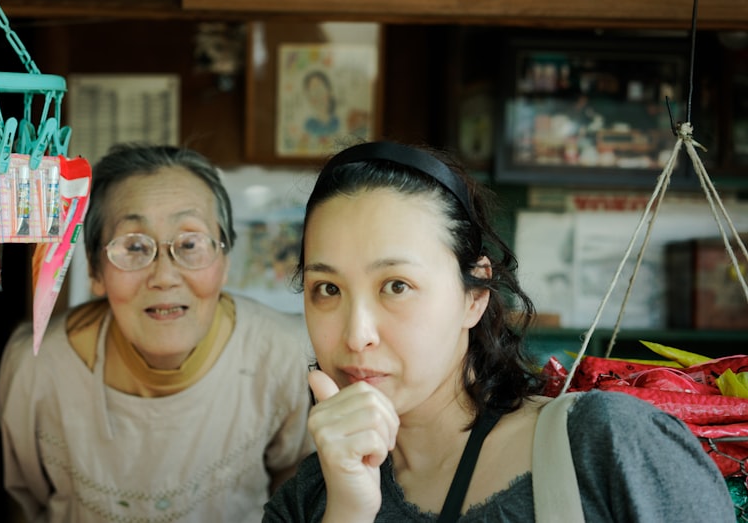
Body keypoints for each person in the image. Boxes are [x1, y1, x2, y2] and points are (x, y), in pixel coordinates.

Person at [264, 139, 736, 522]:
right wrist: (347, 512)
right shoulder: (310, 500)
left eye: (396, 285)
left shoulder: (607, 447)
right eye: (326, 288)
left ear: (475, 294)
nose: (356, 334)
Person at [0, 143, 314, 523]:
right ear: (96, 270)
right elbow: (23, 503)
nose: (164, 276)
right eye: (133, 246)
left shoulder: (282, 353)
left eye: (191, 243)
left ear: (225, 261)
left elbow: (295, 487)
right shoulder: (38, 368)